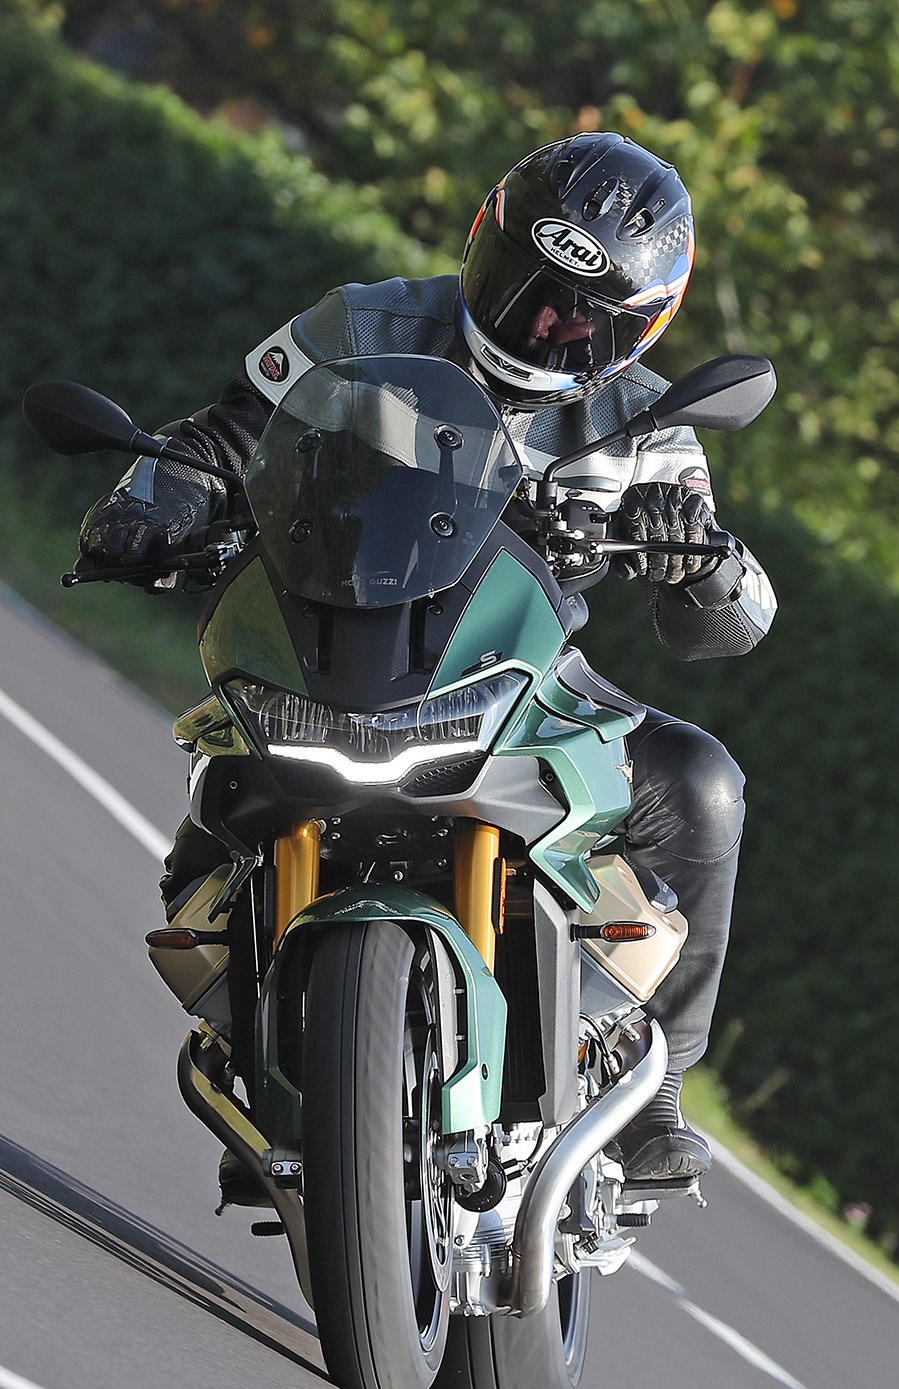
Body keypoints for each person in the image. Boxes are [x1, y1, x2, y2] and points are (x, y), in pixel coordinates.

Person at [78, 132, 776, 1196]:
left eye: (578, 316)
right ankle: (253, 1037)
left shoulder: (650, 422)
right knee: (218, 792)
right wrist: (151, 505)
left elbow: (723, 624)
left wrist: (702, 563)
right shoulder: (358, 325)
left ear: (638, 330)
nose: (540, 324)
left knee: (702, 781)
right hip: (332, 633)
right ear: (481, 248)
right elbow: (223, 438)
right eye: (522, 286)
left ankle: (659, 1087)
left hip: (525, 670)